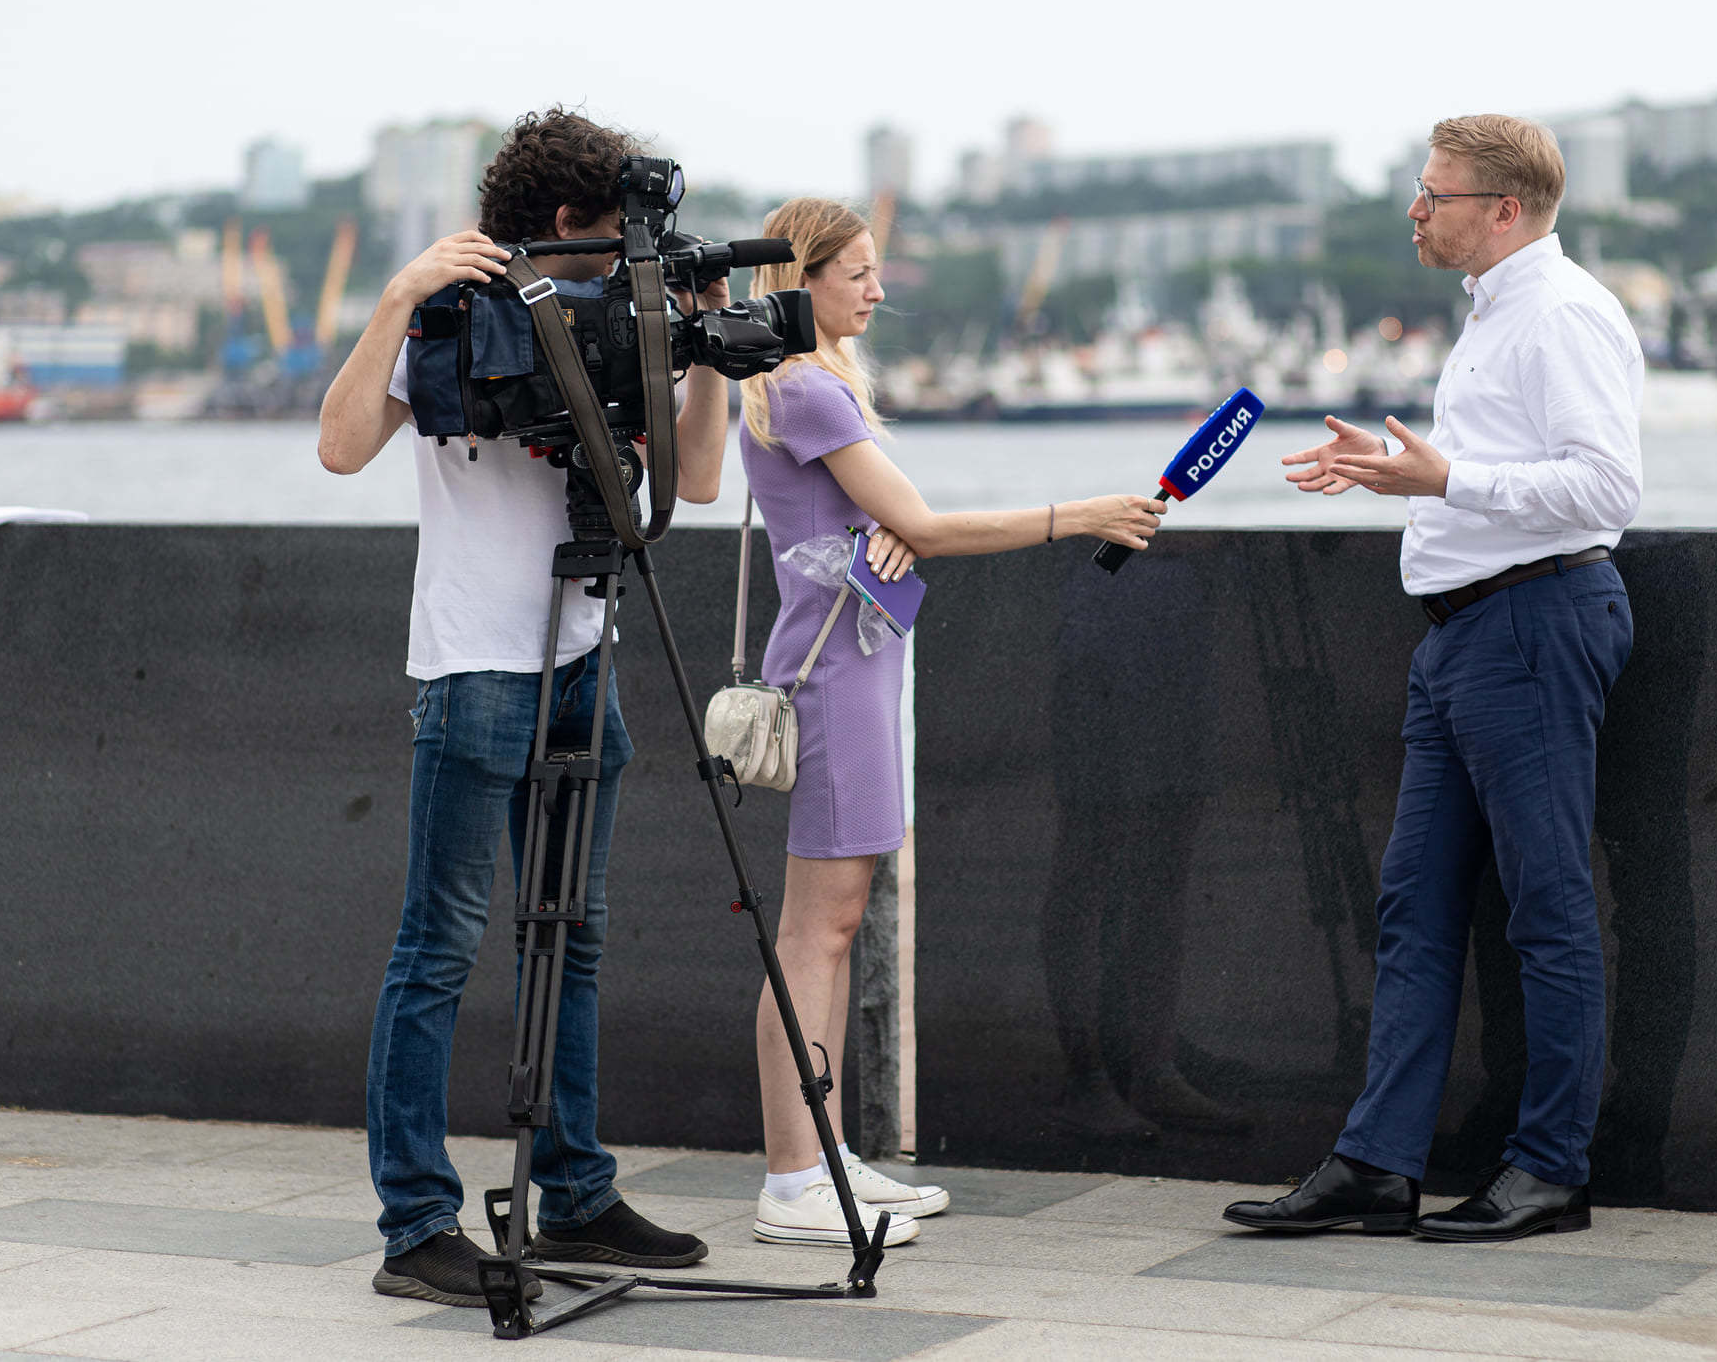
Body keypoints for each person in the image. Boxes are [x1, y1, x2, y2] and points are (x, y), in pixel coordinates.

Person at [317, 108, 729, 1306]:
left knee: (575, 933)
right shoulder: (451, 311)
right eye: (610, 238)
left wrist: (696, 355)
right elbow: (341, 448)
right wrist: (397, 295)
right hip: (475, 663)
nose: (621, 257)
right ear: (559, 221)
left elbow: (694, 483)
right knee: (437, 947)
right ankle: (415, 1223)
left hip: (582, 653)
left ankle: (579, 1192)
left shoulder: (623, 310)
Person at [1223, 114, 1642, 1244]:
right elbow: (1494, 478)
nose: (1414, 211)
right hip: (1467, 634)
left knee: (1546, 909)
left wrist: (1442, 476)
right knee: (1412, 907)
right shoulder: (1496, 316)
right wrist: (1406, 478)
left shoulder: (1558, 313)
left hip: (1531, 623)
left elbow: (1604, 489)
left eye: (1433, 195)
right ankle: (1374, 1163)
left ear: (1501, 210)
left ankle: (1550, 1170)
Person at [736, 197, 1164, 1248]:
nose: (877, 291)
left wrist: (895, 534)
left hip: (857, 662)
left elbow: (894, 527)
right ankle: (793, 1178)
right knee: (816, 930)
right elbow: (920, 520)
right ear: (802, 282)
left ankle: (822, 1157)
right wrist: (1084, 515)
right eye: (858, 274)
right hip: (837, 674)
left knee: (832, 925)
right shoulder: (805, 388)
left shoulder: (808, 386)